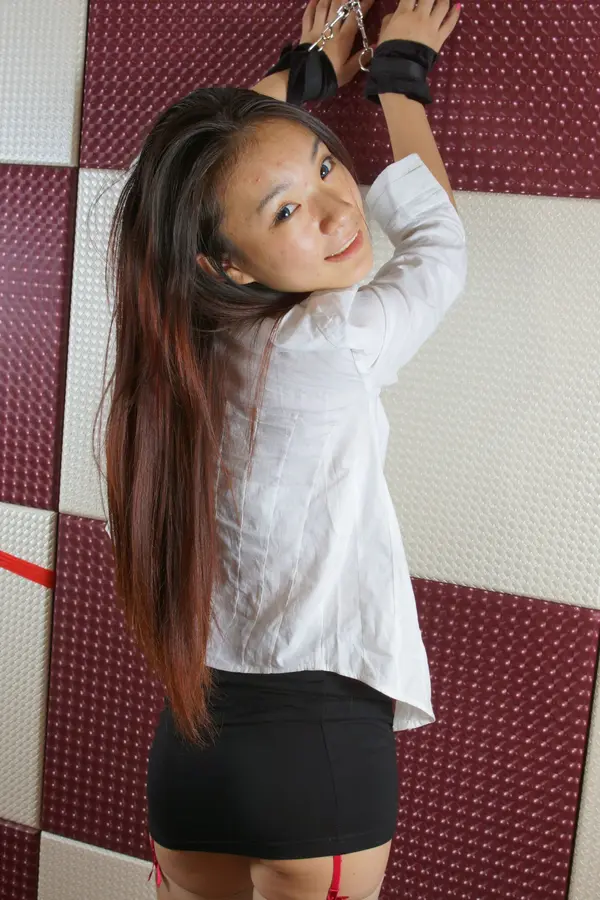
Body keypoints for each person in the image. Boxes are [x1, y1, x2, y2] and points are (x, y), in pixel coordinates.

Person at [100, 1, 466, 898]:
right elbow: (438, 248)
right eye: (289, 209)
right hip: (318, 762)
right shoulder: (332, 340)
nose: (340, 210)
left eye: (326, 164)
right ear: (226, 262)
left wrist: (302, 78)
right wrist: (398, 77)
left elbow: (159, 191)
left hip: (186, 763)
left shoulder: (167, 354)